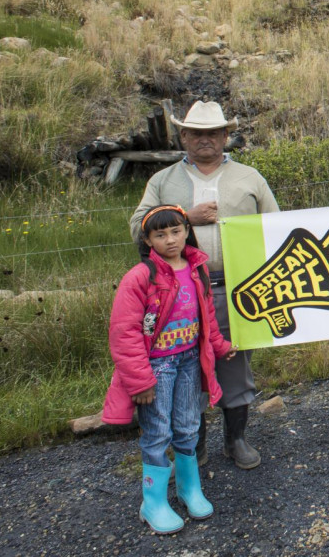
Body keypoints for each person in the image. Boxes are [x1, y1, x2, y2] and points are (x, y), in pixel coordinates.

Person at [130, 100, 278, 470]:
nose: (205, 139)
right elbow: (137, 227)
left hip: (237, 288)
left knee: (233, 360)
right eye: (196, 133)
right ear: (183, 136)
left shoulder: (250, 178)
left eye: (213, 132)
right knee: (183, 367)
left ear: (226, 136)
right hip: (178, 293)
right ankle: (192, 446)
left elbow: (275, 227)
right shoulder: (163, 181)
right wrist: (184, 217)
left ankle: (236, 440)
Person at [106, 205, 236, 533]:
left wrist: (219, 347)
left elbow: (207, 314)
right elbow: (124, 331)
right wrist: (140, 381)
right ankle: (153, 502)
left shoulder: (196, 268)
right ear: (147, 239)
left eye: (176, 231)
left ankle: (189, 489)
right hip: (156, 368)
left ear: (186, 231)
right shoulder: (140, 277)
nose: (170, 240)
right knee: (157, 431)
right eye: (160, 234)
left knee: (188, 425)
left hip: (190, 360)